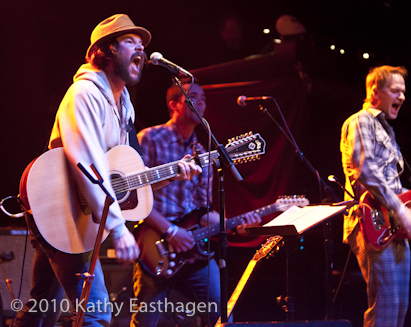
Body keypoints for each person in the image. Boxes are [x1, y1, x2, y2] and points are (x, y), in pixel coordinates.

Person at [13, 14, 200, 327]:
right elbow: (87, 163)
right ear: (106, 50)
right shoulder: (84, 95)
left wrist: (171, 173)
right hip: (61, 208)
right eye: (130, 41)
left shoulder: (124, 102)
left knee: (40, 309)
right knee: (96, 312)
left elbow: (123, 175)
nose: (140, 47)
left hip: (78, 218)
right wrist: (117, 227)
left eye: (142, 43)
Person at [130, 78, 261, 327]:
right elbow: (135, 196)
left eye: (203, 99)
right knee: (145, 321)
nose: (200, 103)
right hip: (154, 243)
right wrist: (170, 231)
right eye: (192, 98)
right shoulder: (150, 138)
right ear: (173, 105)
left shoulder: (204, 151)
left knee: (223, 316)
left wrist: (235, 225)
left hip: (192, 252)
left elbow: (202, 210)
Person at [340, 65, 411, 327]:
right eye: (395, 91)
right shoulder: (361, 121)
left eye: (403, 91)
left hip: (392, 225)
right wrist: (400, 210)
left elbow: (396, 188)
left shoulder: (389, 132)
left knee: (398, 309)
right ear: (374, 91)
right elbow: (365, 171)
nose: (402, 97)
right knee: (386, 311)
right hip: (371, 223)